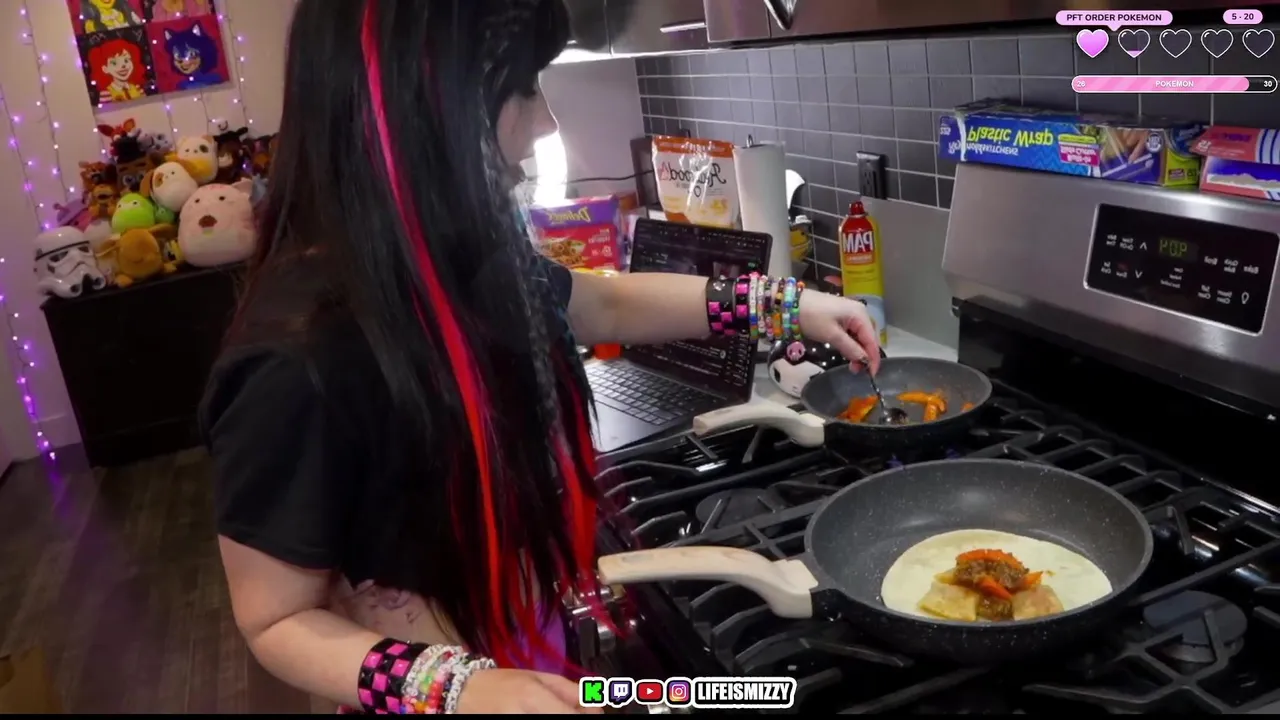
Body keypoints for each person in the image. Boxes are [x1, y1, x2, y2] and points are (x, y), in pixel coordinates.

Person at [201, 0, 882, 714]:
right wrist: (463, 689)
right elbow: (275, 619)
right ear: (428, 102)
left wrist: (780, 304)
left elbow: (602, 304)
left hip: (542, 659)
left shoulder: (454, 261)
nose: (547, 123)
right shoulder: (295, 359)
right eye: (525, 87)